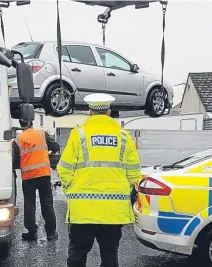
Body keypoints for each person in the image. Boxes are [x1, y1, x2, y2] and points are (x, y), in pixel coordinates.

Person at [57, 93, 142, 267]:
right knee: (110, 254)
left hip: (83, 210)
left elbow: (64, 168)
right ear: (109, 112)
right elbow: (134, 173)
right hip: (113, 211)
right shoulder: (124, 136)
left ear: (90, 112)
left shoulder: (78, 135)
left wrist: (70, 190)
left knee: (77, 254)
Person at [12, 118, 60, 241]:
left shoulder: (18, 140)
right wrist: (47, 154)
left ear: (21, 126)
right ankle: (51, 233)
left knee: (29, 204)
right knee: (47, 203)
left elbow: (15, 160)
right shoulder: (42, 134)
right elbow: (55, 146)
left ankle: (31, 232)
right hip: (43, 174)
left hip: (28, 176)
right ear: (32, 124)